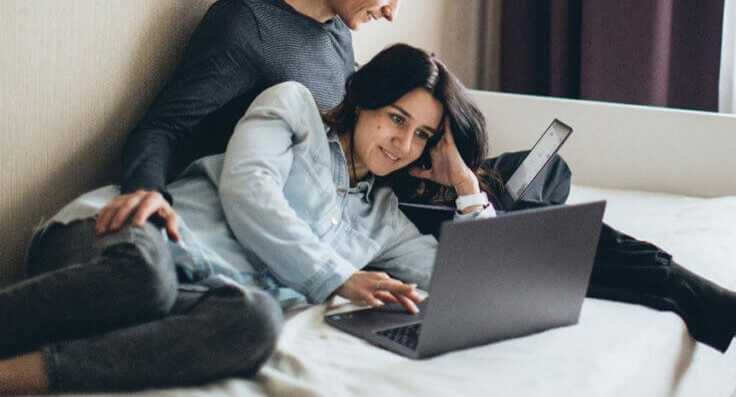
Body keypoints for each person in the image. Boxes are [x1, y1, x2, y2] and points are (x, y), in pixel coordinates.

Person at [88, 0, 736, 380]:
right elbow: (164, 123)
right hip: (361, 208)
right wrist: (145, 194)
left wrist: (448, 165)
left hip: (383, 191)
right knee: (573, 240)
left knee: (539, 202)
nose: (393, 12)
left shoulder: (336, 34)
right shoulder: (246, 27)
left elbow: (365, 132)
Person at [0, 44, 493, 393]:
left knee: (256, 320)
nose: (403, 145)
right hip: (131, 234)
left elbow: (468, 281)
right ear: (364, 99)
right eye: (397, 118)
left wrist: (465, 184)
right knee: (145, 279)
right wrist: (336, 277)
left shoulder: (383, 218)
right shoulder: (295, 107)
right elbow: (248, 188)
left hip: (192, 293)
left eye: (424, 135)